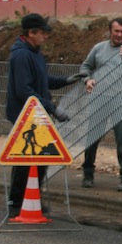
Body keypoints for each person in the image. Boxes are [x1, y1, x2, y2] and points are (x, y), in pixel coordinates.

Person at [5, 13, 75, 217]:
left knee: (42, 159)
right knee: (25, 161)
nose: (46, 36)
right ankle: (16, 203)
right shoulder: (21, 55)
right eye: (43, 33)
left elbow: (43, 81)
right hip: (25, 115)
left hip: (37, 114)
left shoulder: (35, 52)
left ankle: (32, 197)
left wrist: (67, 80)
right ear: (30, 33)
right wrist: (53, 108)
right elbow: (25, 91)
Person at [79, 18, 122, 191]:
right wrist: (88, 79)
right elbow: (85, 66)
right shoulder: (99, 49)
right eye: (116, 31)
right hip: (99, 100)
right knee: (92, 138)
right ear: (110, 31)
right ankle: (88, 174)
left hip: (121, 100)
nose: (120, 35)